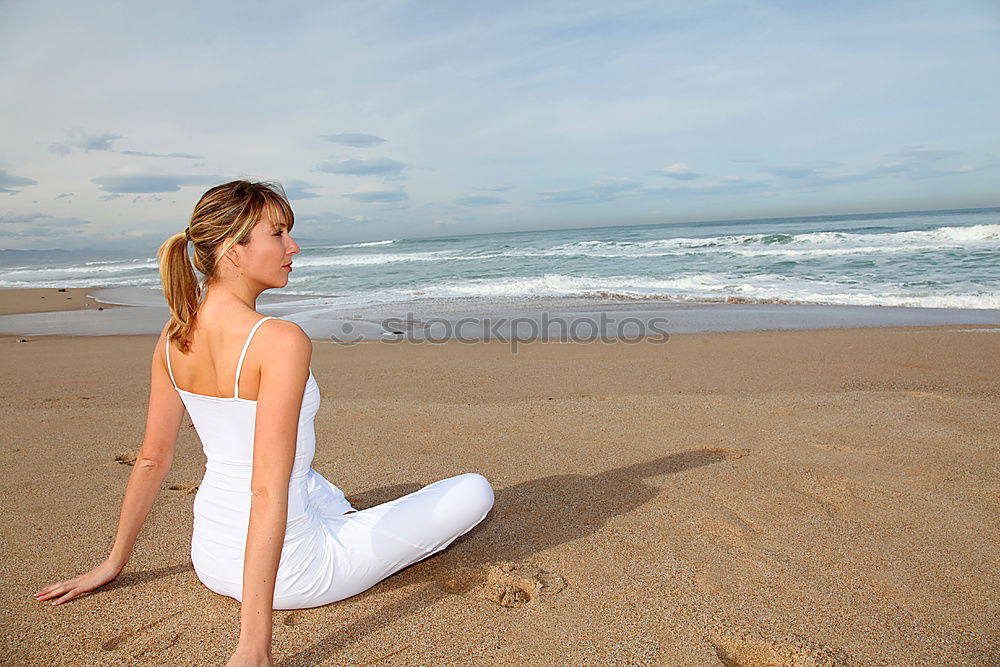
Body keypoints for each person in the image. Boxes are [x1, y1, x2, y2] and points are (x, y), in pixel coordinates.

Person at [34, 180, 495, 667]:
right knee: (474, 490)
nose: (292, 246)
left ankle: (338, 521)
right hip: (294, 572)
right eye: (277, 234)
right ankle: (328, 548)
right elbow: (267, 492)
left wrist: (113, 564)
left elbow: (153, 459)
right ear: (232, 249)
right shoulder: (279, 341)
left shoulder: (175, 333)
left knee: (310, 480)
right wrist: (254, 645)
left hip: (211, 558)